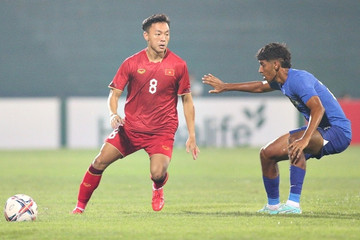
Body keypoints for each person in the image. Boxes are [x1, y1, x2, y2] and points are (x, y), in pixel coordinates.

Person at [202, 42, 351, 214]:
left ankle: (293, 205)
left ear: (276, 65)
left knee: (296, 142)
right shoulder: (281, 81)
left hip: (337, 131)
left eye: (262, 64)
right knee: (267, 153)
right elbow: (259, 86)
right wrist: (225, 86)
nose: (260, 70)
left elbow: (318, 108)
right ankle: (273, 206)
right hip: (319, 130)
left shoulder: (298, 80)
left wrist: (305, 139)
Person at [72, 14, 199, 213]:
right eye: (158, 34)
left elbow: (187, 99)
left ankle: (158, 186)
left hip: (161, 132)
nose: (163, 38)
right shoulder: (131, 63)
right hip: (130, 129)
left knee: (157, 173)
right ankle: (79, 208)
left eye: (166, 34)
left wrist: (192, 134)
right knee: (99, 161)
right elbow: (114, 94)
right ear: (146, 36)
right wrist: (113, 114)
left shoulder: (178, 65)